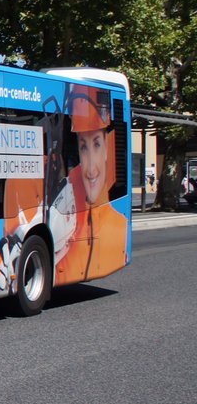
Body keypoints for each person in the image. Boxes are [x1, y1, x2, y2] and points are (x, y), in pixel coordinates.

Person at [54, 85, 128, 285]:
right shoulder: (61, 214)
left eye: (96, 144)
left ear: (107, 148)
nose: (91, 168)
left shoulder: (118, 225)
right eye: (83, 147)